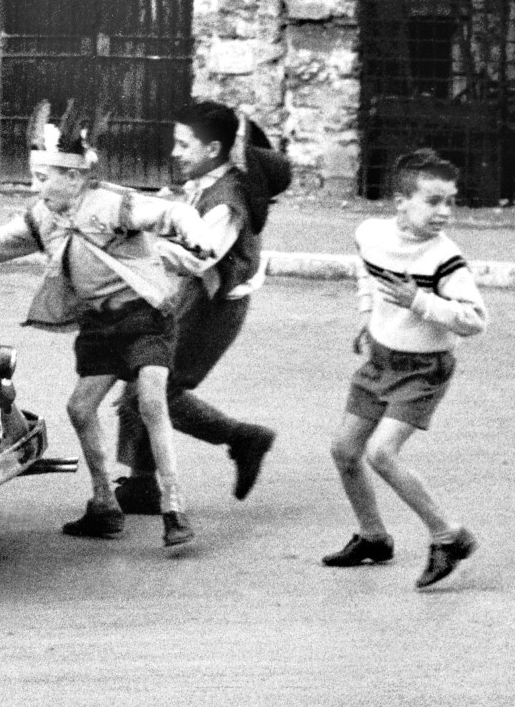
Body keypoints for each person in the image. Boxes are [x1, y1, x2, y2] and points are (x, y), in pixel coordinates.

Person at [0, 103, 209, 549]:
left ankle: (174, 507)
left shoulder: (110, 205)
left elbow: (168, 214)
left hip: (143, 319)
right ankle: (104, 505)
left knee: (151, 402)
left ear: (75, 177)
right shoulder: (43, 218)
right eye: (36, 179)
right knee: (81, 408)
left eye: (45, 179)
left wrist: (193, 229)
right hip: (100, 328)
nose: (37, 188)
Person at [324, 149, 487, 589]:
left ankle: (448, 536)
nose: (444, 212)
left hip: (423, 369)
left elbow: (475, 319)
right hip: (380, 358)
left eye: (449, 201)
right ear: (401, 201)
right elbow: (367, 271)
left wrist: (419, 301)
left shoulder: (445, 259)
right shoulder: (371, 233)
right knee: (344, 450)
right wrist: (366, 314)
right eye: (432, 201)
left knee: (381, 453)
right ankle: (373, 537)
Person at [112, 103, 284, 513]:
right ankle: (141, 484)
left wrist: (140, 245)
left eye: (183, 144)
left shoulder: (226, 201)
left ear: (212, 150)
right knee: (139, 380)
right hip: (191, 297)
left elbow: (198, 256)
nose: (175, 152)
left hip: (211, 310)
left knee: (153, 391)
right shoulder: (206, 184)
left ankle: (242, 438)